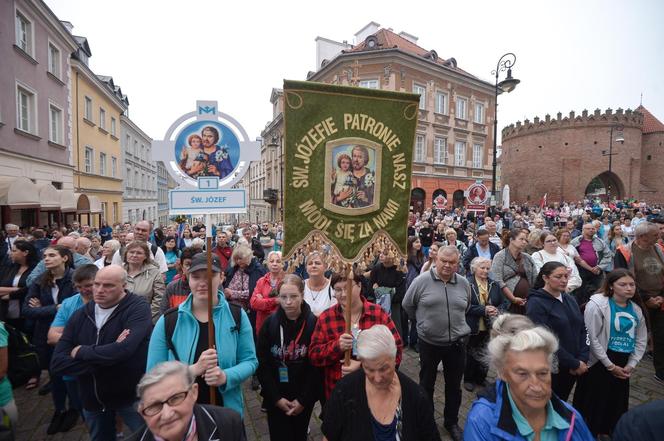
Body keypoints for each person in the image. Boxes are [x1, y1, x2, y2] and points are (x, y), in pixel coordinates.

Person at [147, 254, 257, 417]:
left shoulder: (237, 316)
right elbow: (152, 375)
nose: (202, 283)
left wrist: (225, 376)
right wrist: (192, 370)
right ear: (188, 278)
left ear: (221, 277)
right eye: (196, 277)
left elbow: (250, 361)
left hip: (226, 415)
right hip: (182, 417)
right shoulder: (169, 321)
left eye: (210, 276)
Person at [50, 265, 153, 441]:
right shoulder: (81, 315)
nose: (99, 290)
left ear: (124, 285)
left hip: (130, 396)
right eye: (96, 284)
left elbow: (124, 350)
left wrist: (81, 350)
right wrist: (111, 358)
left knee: (148, 437)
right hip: (93, 398)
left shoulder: (137, 308)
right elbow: (58, 363)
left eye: (108, 286)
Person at [464, 314, 594, 441]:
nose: (536, 386)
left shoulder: (572, 418)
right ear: (502, 373)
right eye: (522, 374)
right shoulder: (482, 422)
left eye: (542, 373)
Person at [321, 324, 441, 441]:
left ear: (395, 359)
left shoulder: (416, 397)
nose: (377, 378)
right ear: (362, 362)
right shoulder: (345, 390)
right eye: (369, 369)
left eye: (384, 368)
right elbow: (329, 435)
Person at [401, 246, 470, 441]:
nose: (447, 265)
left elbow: (466, 307)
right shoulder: (421, 281)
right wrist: (422, 323)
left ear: (457, 264)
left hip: (456, 344)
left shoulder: (464, 283)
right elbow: (408, 305)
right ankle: (427, 421)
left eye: (452, 262)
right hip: (429, 343)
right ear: (436, 260)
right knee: (426, 384)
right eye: (443, 261)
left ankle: (451, 422)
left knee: (454, 386)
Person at [572, 269, 647, 438]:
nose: (629, 288)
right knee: (593, 400)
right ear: (611, 286)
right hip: (600, 360)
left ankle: (608, 429)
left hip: (623, 361)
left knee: (615, 401)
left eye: (632, 284)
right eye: (623, 285)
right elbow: (592, 337)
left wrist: (631, 364)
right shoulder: (598, 304)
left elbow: (641, 338)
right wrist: (610, 366)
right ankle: (586, 431)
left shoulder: (636, 309)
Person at [310, 270, 403, 401]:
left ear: (359, 286)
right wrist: (337, 346)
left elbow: (396, 351)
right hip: (338, 392)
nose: (343, 294)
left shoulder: (378, 314)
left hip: (374, 391)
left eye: (347, 288)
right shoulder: (326, 318)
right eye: (337, 290)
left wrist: (363, 366)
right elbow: (314, 355)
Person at [256, 274, 320, 441]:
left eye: (293, 296)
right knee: (278, 435)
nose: (288, 302)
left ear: (302, 295)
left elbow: (316, 368)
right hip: (276, 394)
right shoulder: (270, 324)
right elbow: (262, 364)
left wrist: (303, 400)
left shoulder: (314, 324)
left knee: (299, 435)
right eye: (283, 297)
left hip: (302, 396)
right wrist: (276, 398)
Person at [23, 245, 78, 434]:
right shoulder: (40, 281)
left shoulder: (74, 280)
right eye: (45, 256)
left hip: (68, 334)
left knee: (70, 375)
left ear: (64, 258)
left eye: (52, 255)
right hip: (44, 334)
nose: (46, 259)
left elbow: (76, 310)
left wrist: (44, 308)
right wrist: (55, 308)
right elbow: (28, 310)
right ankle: (59, 409)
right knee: (55, 375)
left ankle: (74, 408)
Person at [128, 361, 246, 441]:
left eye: (175, 398)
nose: (167, 415)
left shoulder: (229, 423)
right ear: (141, 411)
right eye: (154, 406)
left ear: (194, 392)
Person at [46, 264, 99, 432]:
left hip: (99, 369)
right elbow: (52, 336)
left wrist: (69, 340)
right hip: (73, 371)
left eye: (88, 285)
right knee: (83, 408)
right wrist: (87, 342)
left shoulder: (106, 302)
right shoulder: (69, 304)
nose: (84, 290)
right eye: (79, 287)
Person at [526, 262, 589, 401]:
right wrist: (573, 363)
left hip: (576, 364)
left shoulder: (570, 299)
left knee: (562, 400)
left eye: (566, 276)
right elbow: (543, 340)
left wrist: (583, 357)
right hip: (553, 367)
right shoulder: (536, 303)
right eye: (558, 276)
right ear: (545, 278)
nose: (564, 280)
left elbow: (583, 328)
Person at [612, 221, 664, 382]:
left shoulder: (659, 249)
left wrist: (661, 296)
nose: (659, 236)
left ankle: (661, 371)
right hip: (637, 300)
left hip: (661, 299)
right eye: (655, 235)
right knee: (637, 334)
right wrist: (647, 298)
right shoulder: (624, 252)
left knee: (661, 335)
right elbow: (623, 277)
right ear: (642, 237)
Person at [464, 257, 505, 392]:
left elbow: (503, 303)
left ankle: (481, 378)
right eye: (482, 268)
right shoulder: (467, 283)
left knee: (485, 352)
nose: (486, 271)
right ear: (474, 268)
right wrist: (483, 309)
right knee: (471, 353)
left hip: (489, 326)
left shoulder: (494, 284)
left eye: (488, 268)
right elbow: (464, 306)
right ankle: (468, 379)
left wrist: (496, 310)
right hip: (473, 326)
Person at [491, 229, 536, 314]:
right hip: (507, 301)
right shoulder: (500, 256)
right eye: (521, 239)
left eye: (526, 240)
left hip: (528, 301)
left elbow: (535, 278)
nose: (524, 242)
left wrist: (532, 296)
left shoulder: (527, 257)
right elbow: (497, 280)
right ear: (511, 240)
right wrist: (513, 299)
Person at [570, 222, 612, 307]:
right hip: (581, 271)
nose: (591, 230)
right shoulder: (575, 242)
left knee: (598, 291)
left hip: (597, 271)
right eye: (588, 229)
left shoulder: (600, 242)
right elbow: (571, 255)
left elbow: (608, 255)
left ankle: (597, 307)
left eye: (593, 229)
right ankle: (580, 309)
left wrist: (599, 267)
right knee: (580, 292)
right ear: (583, 230)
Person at [0, 240, 38, 331]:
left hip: (25, 313)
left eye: (14, 251)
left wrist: (10, 294)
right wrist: (18, 289)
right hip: (5, 311)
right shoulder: (9, 267)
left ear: (25, 252)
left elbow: (30, 289)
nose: (10, 253)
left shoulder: (35, 269)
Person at [124, 241, 166, 323]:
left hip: (144, 319)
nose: (134, 255)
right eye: (131, 252)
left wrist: (146, 318)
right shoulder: (118, 271)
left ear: (145, 256)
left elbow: (159, 299)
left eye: (139, 253)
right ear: (126, 254)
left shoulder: (154, 272)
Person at [26, 235, 93, 285]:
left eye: (67, 248)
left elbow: (82, 283)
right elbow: (30, 280)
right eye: (59, 247)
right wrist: (50, 282)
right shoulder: (46, 261)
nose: (63, 250)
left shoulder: (84, 262)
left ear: (76, 248)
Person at [369, 249, 406, 333]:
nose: (381, 256)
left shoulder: (399, 270)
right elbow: (369, 290)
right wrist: (390, 291)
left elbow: (400, 294)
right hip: (378, 304)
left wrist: (380, 290)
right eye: (380, 253)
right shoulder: (376, 269)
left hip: (393, 306)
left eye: (385, 254)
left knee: (393, 330)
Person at [251, 251, 284, 336]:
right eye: (272, 261)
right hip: (262, 327)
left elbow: (285, 304)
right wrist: (275, 301)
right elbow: (254, 303)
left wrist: (263, 301)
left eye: (278, 261)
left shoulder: (286, 281)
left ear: (282, 264)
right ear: (268, 264)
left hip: (280, 326)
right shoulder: (261, 281)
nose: (274, 264)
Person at [159, 247, 200, 314]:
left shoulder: (213, 286)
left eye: (195, 264)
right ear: (182, 267)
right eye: (187, 264)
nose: (192, 268)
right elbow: (163, 315)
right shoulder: (172, 288)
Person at [302, 251, 336, 316]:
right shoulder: (301, 286)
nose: (313, 266)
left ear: (325, 267)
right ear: (306, 268)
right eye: (310, 263)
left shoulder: (332, 287)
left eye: (317, 263)